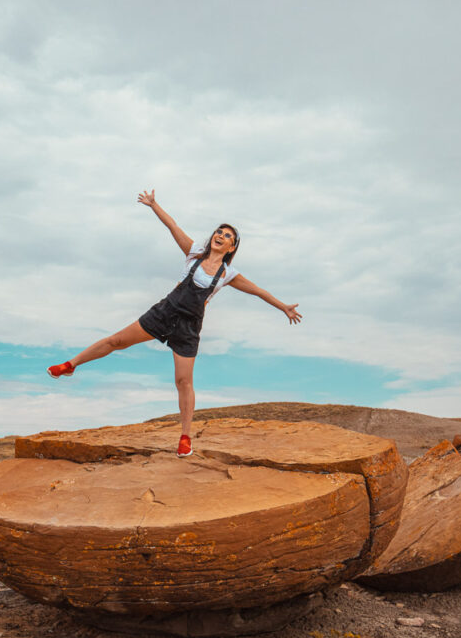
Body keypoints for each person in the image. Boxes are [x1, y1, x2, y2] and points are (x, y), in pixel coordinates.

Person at [47, 190, 302, 458]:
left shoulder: (229, 274)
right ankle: (70, 365)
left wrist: (283, 306)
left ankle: (185, 437)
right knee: (116, 341)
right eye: (219, 231)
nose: (221, 236)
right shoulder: (193, 253)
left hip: (189, 328)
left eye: (228, 236)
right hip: (165, 312)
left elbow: (259, 291)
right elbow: (173, 226)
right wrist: (154, 205)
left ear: (232, 247)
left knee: (183, 381)